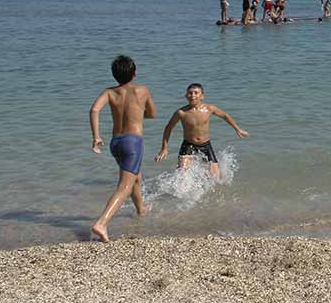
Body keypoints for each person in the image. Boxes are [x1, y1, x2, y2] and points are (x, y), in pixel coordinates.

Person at [88, 55, 157, 242]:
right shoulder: (142, 90)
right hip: (132, 142)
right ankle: (101, 223)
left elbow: (94, 110)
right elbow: (152, 114)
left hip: (115, 142)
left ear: (114, 75)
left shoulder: (109, 92)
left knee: (135, 177)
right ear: (135, 73)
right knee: (125, 186)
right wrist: (137, 111)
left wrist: (96, 137)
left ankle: (141, 209)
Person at [155, 83, 249, 178]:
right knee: (182, 175)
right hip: (188, 145)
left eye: (196, 93)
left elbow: (225, 116)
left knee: (215, 177)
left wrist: (237, 129)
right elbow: (168, 128)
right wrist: (164, 148)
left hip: (205, 145)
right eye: (190, 93)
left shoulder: (209, 109)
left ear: (202, 96)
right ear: (186, 96)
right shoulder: (181, 112)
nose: (193, 96)